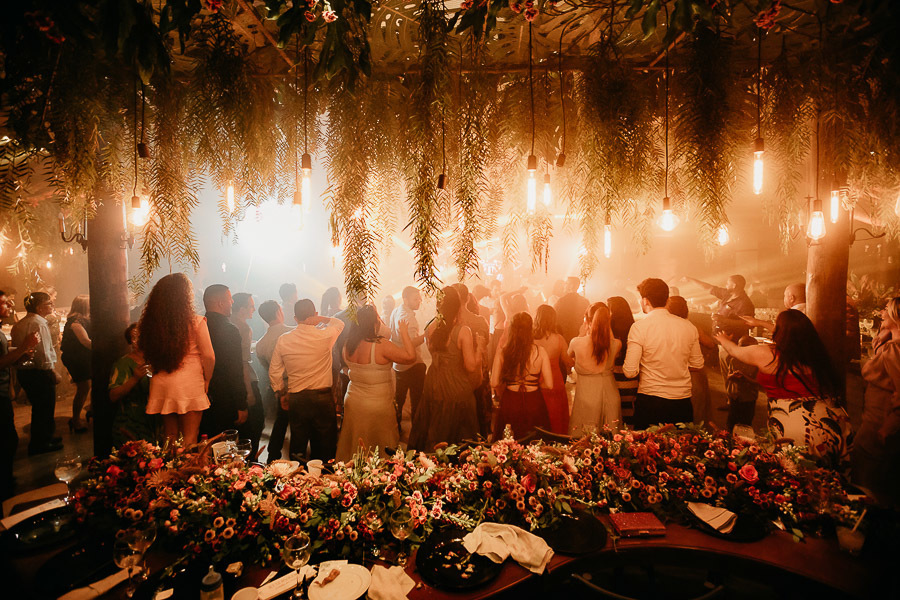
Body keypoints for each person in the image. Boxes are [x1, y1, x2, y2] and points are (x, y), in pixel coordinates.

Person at [716, 309, 851, 467]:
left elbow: (733, 350)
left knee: (800, 476)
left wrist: (722, 338)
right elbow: (795, 333)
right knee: (832, 476)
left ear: (780, 332)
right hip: (833, 419)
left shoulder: (768, 354)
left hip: (798, 425)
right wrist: (760, 323)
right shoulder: (816, 352)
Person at [141, 273, 215, 447]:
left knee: (170, 437)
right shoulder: (196, 322)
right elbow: (209, 355)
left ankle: (169, 472)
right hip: (188, 381)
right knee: (190, 437)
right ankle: (186, 473)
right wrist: (207, 379)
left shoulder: (152, 325)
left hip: (162, 381)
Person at [409, 287, 486, 451]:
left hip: (434, 383)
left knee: (434, 424)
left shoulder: (430, 327)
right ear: (458, 306)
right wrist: (479, 347)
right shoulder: (463, 331)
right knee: (458, 435)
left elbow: (432, 352)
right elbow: (471, 366)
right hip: (455, 385)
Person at [336, 305, 415, 462]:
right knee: (380, 448)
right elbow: (410, 356)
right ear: (374, 323)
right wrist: (404, 333)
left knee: (355, 446)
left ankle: (354, 478)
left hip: (353, 402)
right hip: (377, 405)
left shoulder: (347, 345)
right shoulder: (381, 345)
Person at [269, 299, 344, 462]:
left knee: (298, 445)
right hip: (323, 398)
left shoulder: (284, 339)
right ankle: (324, 480)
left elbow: (274, 371)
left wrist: (281, 392)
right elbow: (339, 323)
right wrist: (321, 319)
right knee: (326, 446)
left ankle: (299, 481)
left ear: (295, 318)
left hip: (297, 399)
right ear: (315, 314)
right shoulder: (324, 335)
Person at [623, 278, 704, 429]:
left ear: (645, 301)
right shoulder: (688, 326)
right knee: (680, 449)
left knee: (647, 450)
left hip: (650, 400)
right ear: (667, 300)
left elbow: (629, 371)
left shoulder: (640, 327)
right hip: (682, 400)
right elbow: (698, 364)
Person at [852, 297, 900, 507]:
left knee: (867, 481)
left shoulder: (895, 351)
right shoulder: (890, 345)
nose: (881, 312)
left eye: (886, 309)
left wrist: (888, 427)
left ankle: (868, 527)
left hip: (879, 423)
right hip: (873, 419)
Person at [12, 292, 62, 455]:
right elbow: (43, 352)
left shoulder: (20, 323)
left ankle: (45, 437)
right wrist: (51, 371)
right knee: (44, 408)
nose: (52, 305)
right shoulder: (39, 323)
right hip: (38, 372)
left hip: (25, 372)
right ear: (40, 307)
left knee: (39, 407)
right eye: (49, 303)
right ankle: (41, 443)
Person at [0, 291, 38, 500]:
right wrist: (23, 347)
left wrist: (21, 355)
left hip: (4, 390)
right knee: (7, 439)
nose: (9, 306)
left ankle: (7, 478)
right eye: (4, 303)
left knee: (9, 438)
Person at [491, 312, 553, 439]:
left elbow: (494, 382)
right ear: (530, 329)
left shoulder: (503, 352)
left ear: (512, 330)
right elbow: (549, 384)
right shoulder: (540, 352)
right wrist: (536, 384)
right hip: (534, 401)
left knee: (508, 446)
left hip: (511, 401)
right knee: (535, 445)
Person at [201, 285, 249, 439]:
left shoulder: (198, 327)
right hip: (225, 398)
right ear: (221, 303)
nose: (232, 302)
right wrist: (241, 403)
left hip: (202, 395)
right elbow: (235, 369)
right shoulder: (229, 329)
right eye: (230, 299)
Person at [568, 302, 622, 435]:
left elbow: (568, 358)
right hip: (609, 393)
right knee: (611, 441)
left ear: (587, 320)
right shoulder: (616, 344)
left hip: (586, 396)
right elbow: (609, 343)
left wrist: (581, 333)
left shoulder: (576, 342)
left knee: (584, 441)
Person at [255, 300, 294, 461]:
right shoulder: (293, 332)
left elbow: (267, 368)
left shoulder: (260, 344)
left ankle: (273, 453)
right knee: (300, 423)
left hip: (279, 386)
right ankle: (298, 456)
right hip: (297, 382)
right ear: (279, 311)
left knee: (281, 419)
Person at [666, 296, 715, 426]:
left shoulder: (665, 327)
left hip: (679, 374)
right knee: (695, 416)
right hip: (693, 373)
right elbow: (710, 344)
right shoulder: (691, 326)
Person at [109, 324, 156, 447]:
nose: (135, 341)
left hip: (154, 423)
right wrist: (134, 379)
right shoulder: (124, 363)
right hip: (131, 424)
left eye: (139, 337)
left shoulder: (156, 360)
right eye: (132, 338)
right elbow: (113, 395)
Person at [453, 283, 491, 435]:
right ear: (468, 298)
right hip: (477, 370)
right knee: (479, 409)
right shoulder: (480, 321)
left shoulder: (449, 323)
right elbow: (485, 343)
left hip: (457, 372)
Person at [231, 292, 264, 458]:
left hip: (231, 382)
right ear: (242, 309)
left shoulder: (228, 324)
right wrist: (249, 391)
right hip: (246, 380)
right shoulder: (243, 328)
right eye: (251, 306)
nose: (254, 309)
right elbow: (243, 362)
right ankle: (251, 463)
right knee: (255, 425)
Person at [532, 305, 572, 434]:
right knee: (556, 413)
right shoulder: (559, 339)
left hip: (537, 377)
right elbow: (567, 361)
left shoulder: (531, 339)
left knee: (538, 411)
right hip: (555, 379)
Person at [390, 286, 427, 426]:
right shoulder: (407, 317)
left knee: (399, 398)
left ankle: (396, 426)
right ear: (405, 299)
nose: (419, 301)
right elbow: (410, 343)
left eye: (419, 298)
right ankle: (416, 430)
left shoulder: (396, 311)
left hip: (399, 363)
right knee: (416, 400)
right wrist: (426, 335)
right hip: (412, 364)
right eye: (415, 299)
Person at [683, 274, 755, 339]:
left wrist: (724, 320)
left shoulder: (744, 303)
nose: (726, 285)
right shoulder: (727, 294)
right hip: (717, 335)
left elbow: (747, 323)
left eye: (727, 283)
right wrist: (691, 280)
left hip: (730, 339)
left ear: (734, 285)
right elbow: (708, 288)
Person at [59, 295, 92, 433]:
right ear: (85, 306)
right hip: (76, 358)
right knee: (83, 388)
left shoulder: (82, 319)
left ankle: (89, 411)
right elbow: (85, 341)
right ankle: (76, 420)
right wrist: (104, 349)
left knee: (89, 385)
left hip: (82, 357)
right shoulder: (76, 322)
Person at [608, 296, 638, 426]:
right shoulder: (634, 327)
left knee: (614, 415)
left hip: (613, 376)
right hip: (631, 377)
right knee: (629, 412)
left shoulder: (609, 331)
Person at [722, 336, 759, 432]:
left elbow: (758, 383)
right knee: (731, 423)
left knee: (745, 425)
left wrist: (744, 377)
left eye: (744, 346)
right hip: (735, 397)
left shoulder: (756, 363)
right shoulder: (734, 360)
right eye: (740, 345)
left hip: (748, 399)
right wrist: (732, 376)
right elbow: (728, 377)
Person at [742, 283, 807, 332]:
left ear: (791, 298)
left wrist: (759, 322)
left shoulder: (791, 314)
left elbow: (780, 332)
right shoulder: (809, 310)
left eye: (785, 296)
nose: (783, 298)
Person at [554, 277, 591, 344]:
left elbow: (554, 318)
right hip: (579, 337)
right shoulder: (585, 302)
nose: (564, 286)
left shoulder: (561, 301)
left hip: (563, 337)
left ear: (571, 286)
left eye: (566, 283)